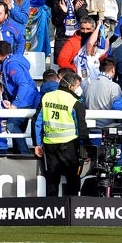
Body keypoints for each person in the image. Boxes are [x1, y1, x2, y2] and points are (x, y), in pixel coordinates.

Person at [33, 68, 87, 197]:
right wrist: (85, 147)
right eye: (77, 86)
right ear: (70, 86)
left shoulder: (47, 97)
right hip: (70, 145)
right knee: (73, 180)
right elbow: (82, 128)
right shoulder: (75, 102)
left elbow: (37, 121)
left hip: (49, 144)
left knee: (52, 180)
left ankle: (53, 212)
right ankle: (72, 209)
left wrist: (37, 143)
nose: (78, 89)